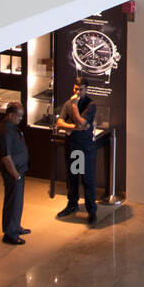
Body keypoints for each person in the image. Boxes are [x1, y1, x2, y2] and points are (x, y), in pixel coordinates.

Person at [56, 79, 98, 224]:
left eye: (80, 89)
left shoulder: (90, 105)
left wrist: (74, 107)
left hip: (85, 147)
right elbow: (60, 122)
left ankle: (91, 210)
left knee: (87, 179)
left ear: (86, 90)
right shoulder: (68, 103)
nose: (77, 92)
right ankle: (72, 204)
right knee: (73, 176)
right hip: (72, 145)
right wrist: (75, 128)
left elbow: (82, 122)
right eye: (75, 89)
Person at [0, 102, 30, 245]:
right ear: (11, 115)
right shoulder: (5, 131)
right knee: (13, 202)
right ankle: (10, 233)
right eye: (19, 116)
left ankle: (16, 226)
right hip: (14, 173)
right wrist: (15, 174)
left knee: (18, 201)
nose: (21, 119)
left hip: (19, 171)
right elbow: (6, 157)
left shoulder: (11, 127)